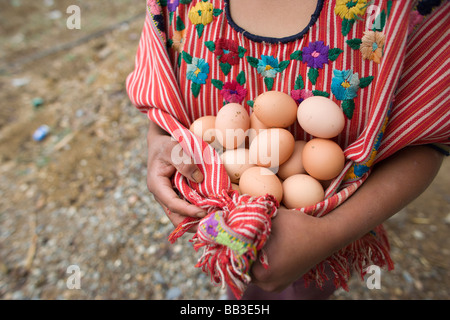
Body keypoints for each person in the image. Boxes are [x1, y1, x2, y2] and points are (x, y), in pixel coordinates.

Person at [127, 0, 449, 299]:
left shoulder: (398, 12)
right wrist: (158, 141)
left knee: (308, 286)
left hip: (335, 218)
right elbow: (162, 95)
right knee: (249, 288)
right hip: (233, 215)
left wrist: (330, 234)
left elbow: (428, 136)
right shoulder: (178, 7)